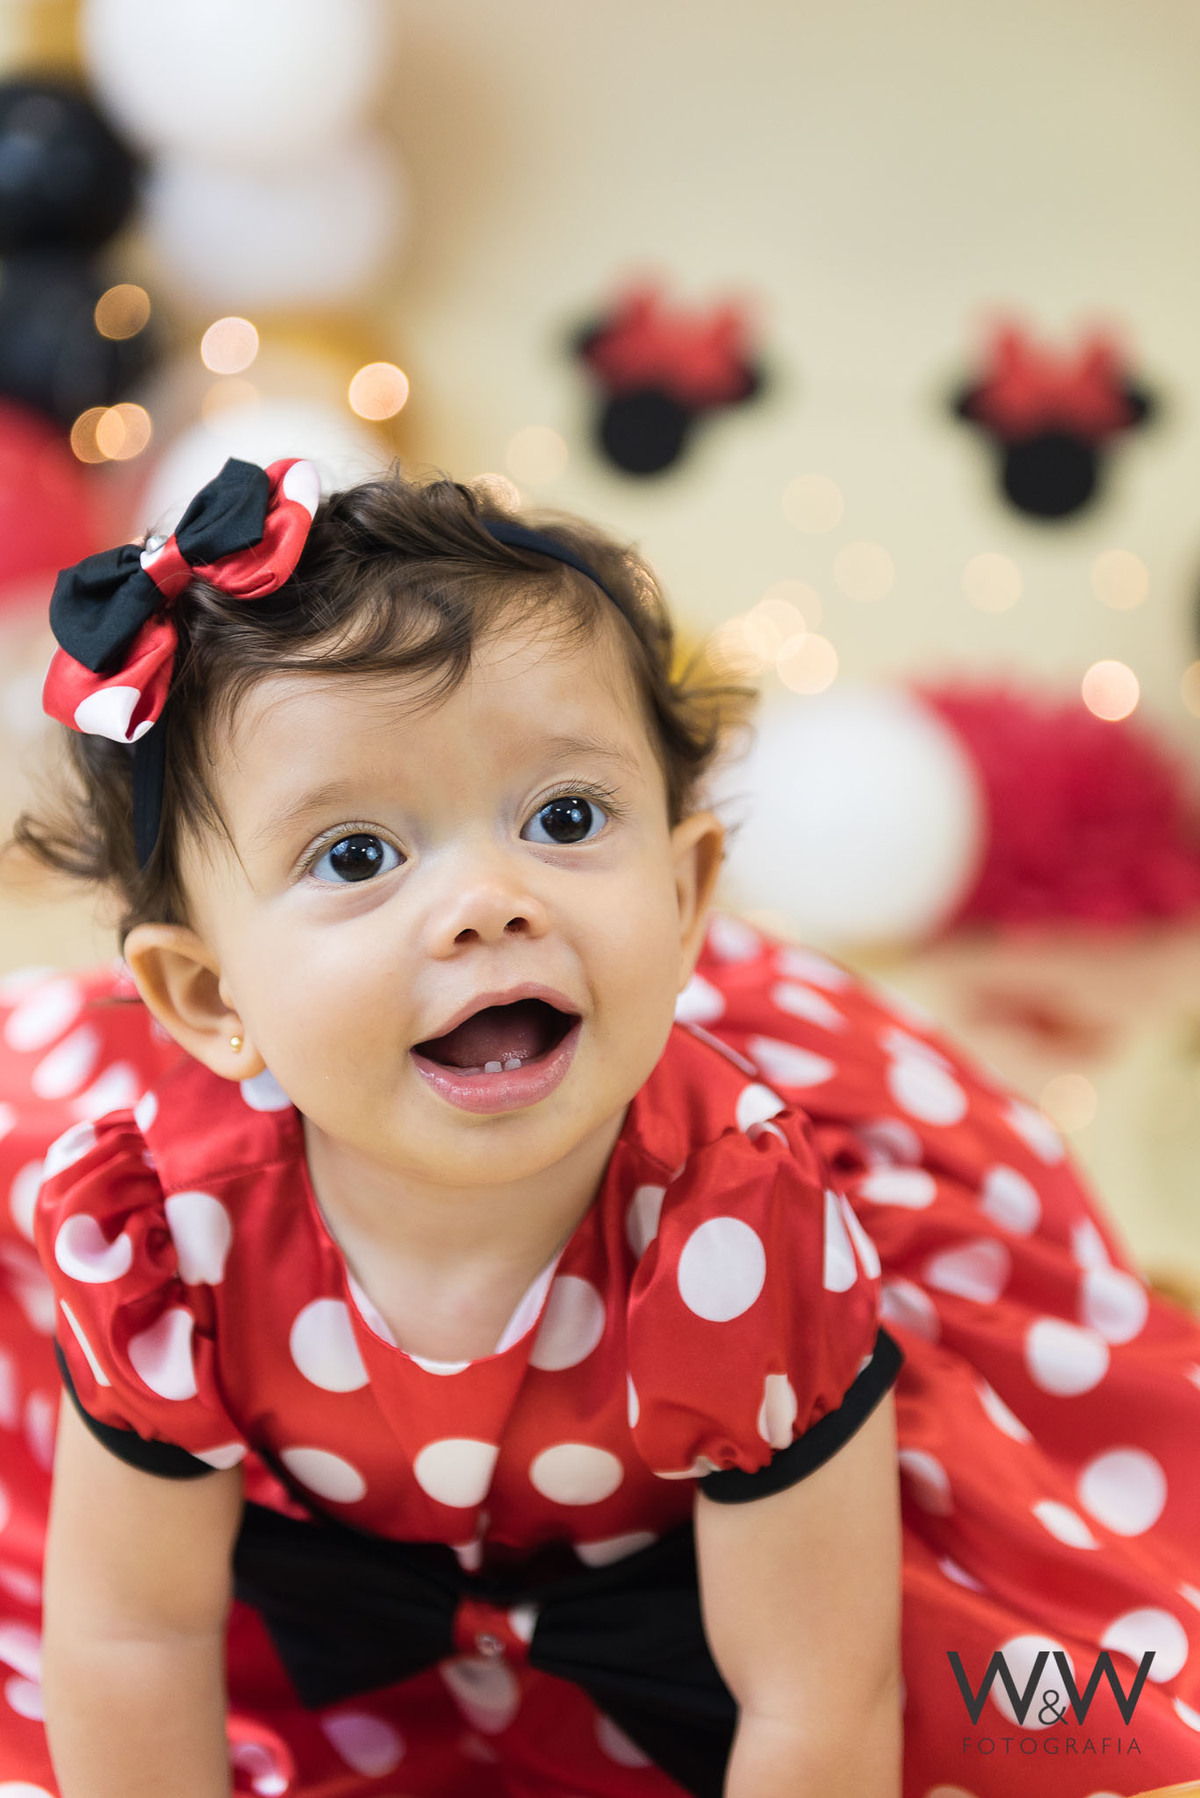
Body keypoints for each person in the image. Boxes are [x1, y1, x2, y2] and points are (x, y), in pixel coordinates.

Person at [0, 457, 1195, 1798]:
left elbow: (815, 1689)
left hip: (736, 1601)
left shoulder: (739, 1221)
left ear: (685, 901)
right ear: (214, 996)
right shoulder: (168, 1230)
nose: (488, 900)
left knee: (1030, 1711)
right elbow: (133, 1633)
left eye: (565, 817)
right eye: (356, 854)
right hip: (302, 1639)